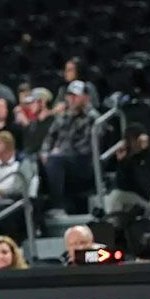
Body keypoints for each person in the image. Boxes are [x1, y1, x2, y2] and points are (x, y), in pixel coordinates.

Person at [41, 80, 97, 214]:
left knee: (55, 160)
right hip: (62, 160)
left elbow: (86, 148)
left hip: (83, 164)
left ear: (86, 97)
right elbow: (50, 136)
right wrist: (45, 152)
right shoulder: (64, 116)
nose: (71, 99)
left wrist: (60, 152)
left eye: (75, 96)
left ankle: (58, 206)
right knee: (37, 161)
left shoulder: (92, 118)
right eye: (69, 96)